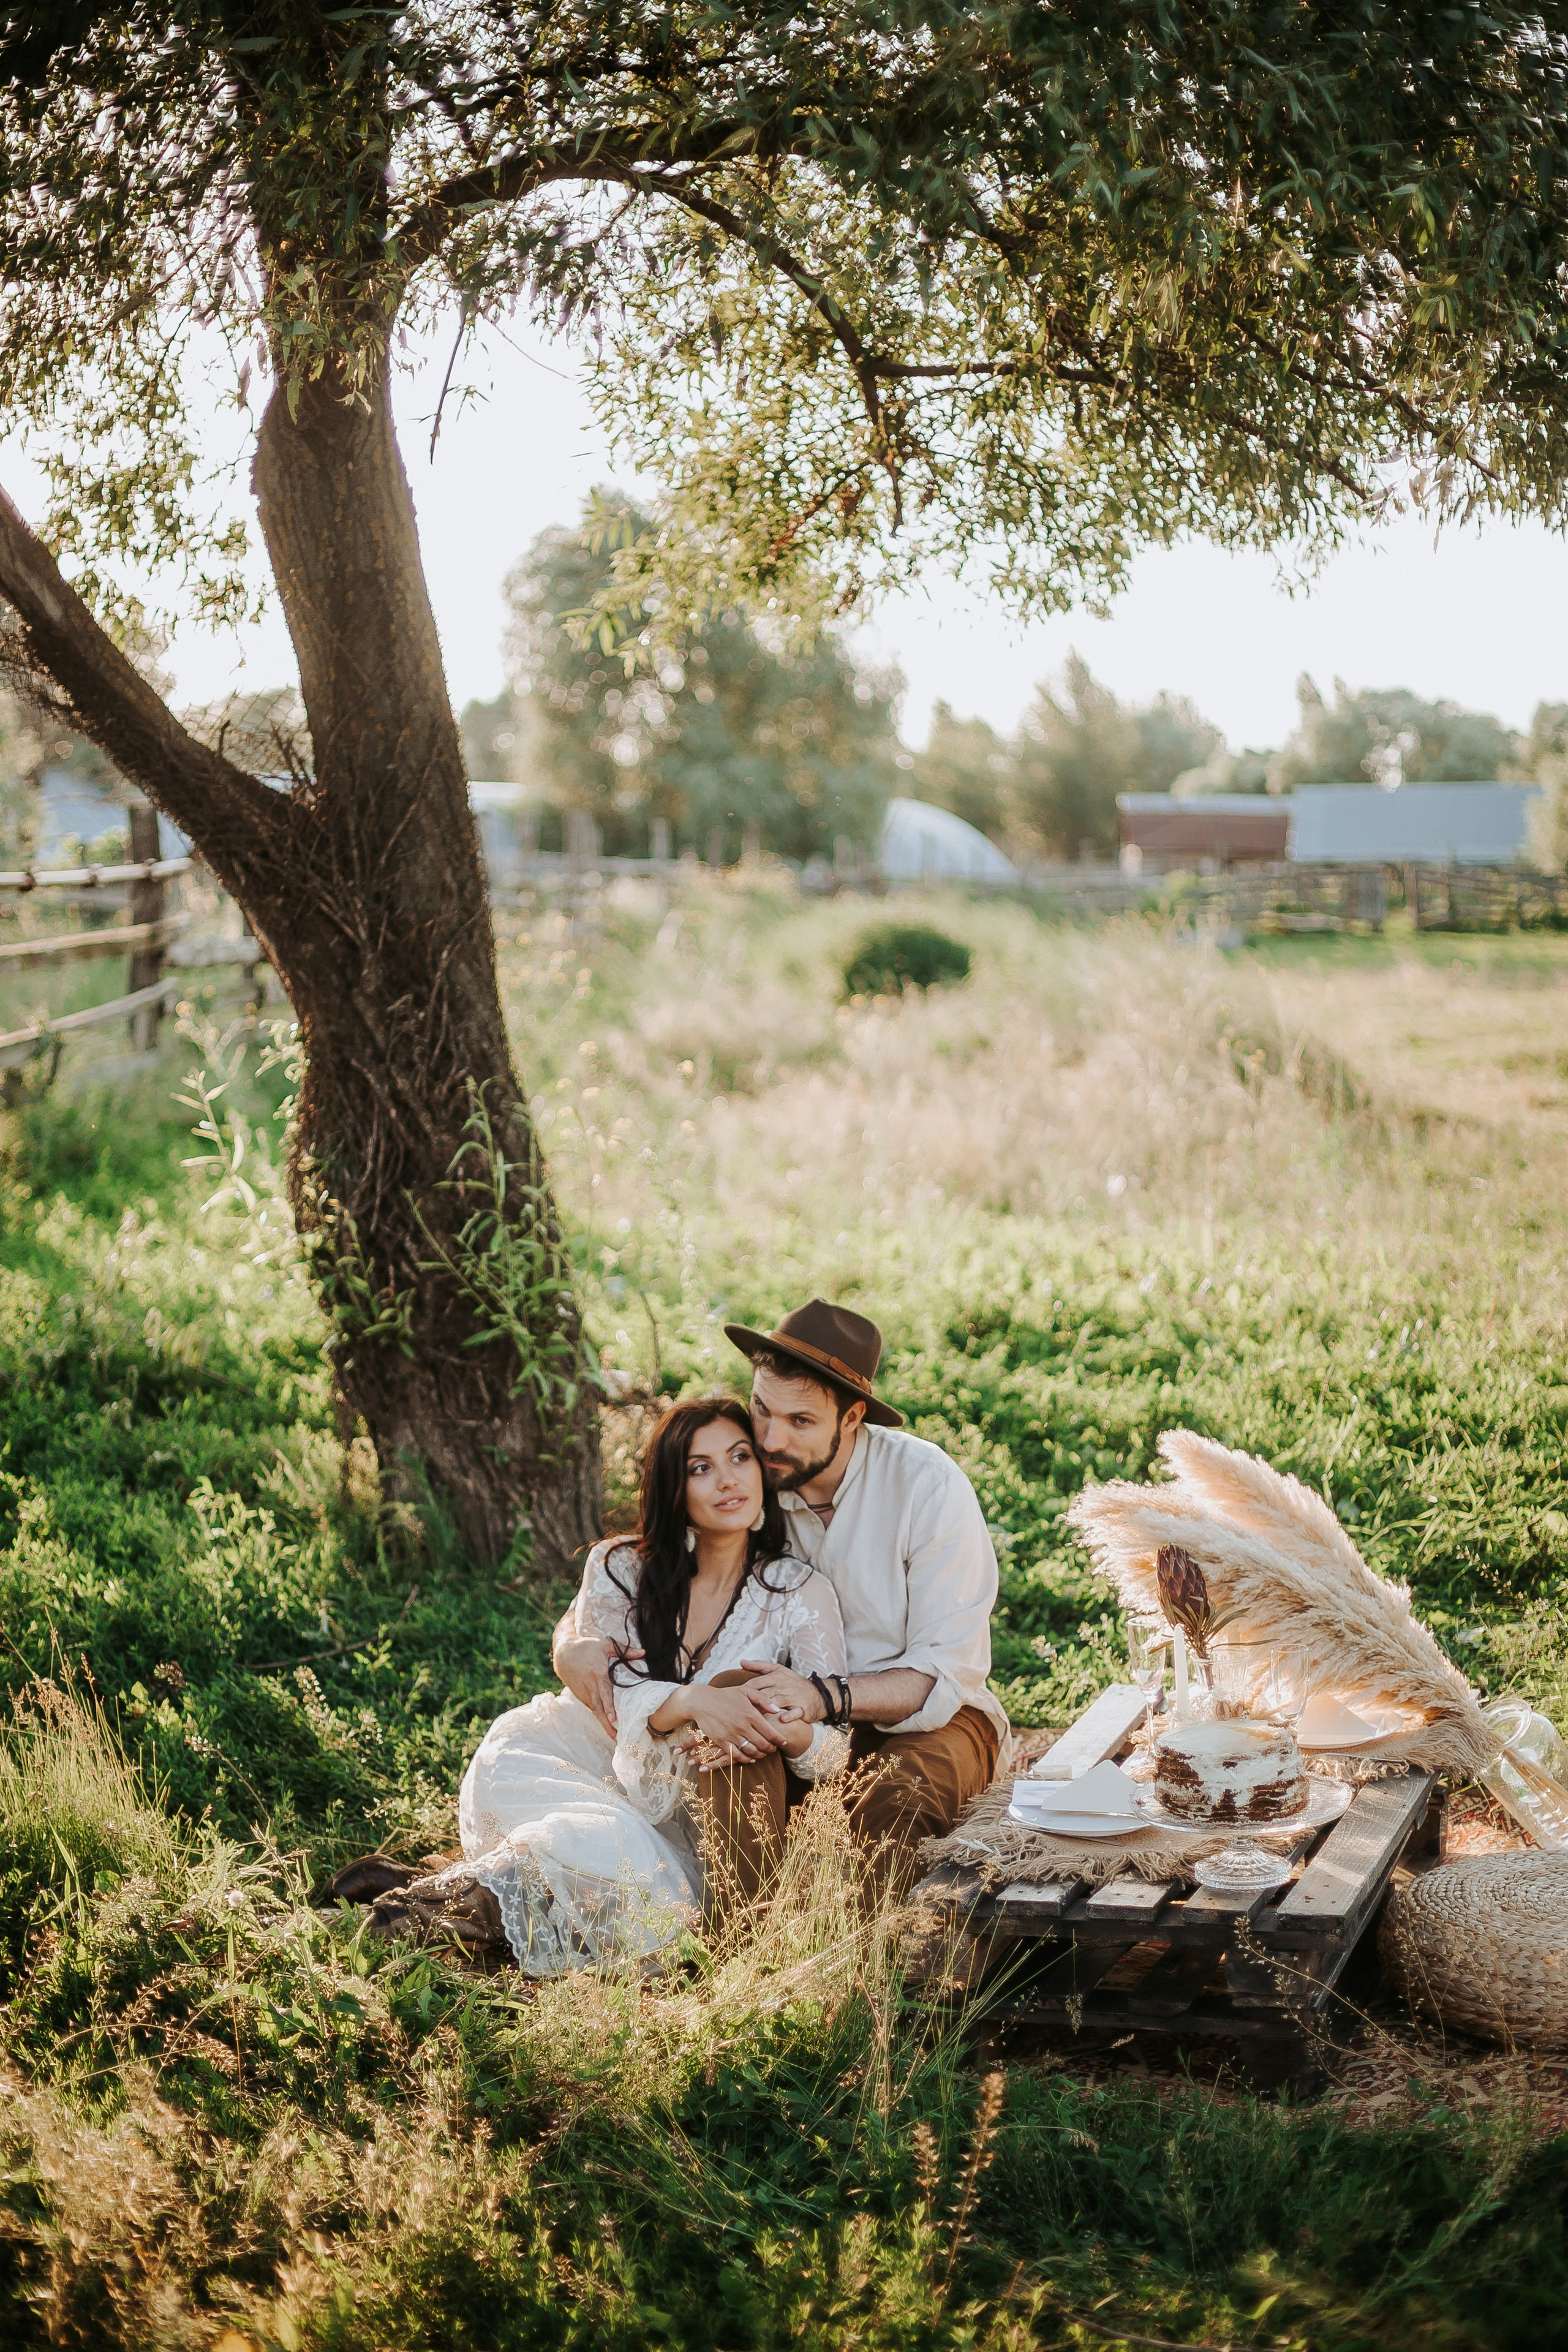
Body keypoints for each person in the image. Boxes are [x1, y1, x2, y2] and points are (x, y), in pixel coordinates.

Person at [363, 1398, 849, 1973]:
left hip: (689, 1816)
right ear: (674, 1486)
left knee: (625, 1869)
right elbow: (607, 1700)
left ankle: (420, 1908)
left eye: (740, 1457)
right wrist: (693, 1701)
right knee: (588, 1837)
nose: (728, 1480)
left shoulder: (799, 1594)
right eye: (701, 1468)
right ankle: (410, 1917)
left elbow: (833, 1750)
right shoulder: (620, 1566)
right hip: (574, 1758)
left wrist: (782, 1732)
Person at [554, 1300, 1006, 1901]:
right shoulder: (747, 1468)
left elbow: (941, 1674)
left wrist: (822, 1698)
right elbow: (645, 1558)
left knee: (895, 1800)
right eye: (763, 1410)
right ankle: (744, 1935)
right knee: (729, 1717)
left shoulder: (926, 1487)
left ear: (851, 1420)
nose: (769, 1439)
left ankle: (879, 1969)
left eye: (800, 1422)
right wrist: (571, 1640)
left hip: (923, 1720)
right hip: (783, 1713)